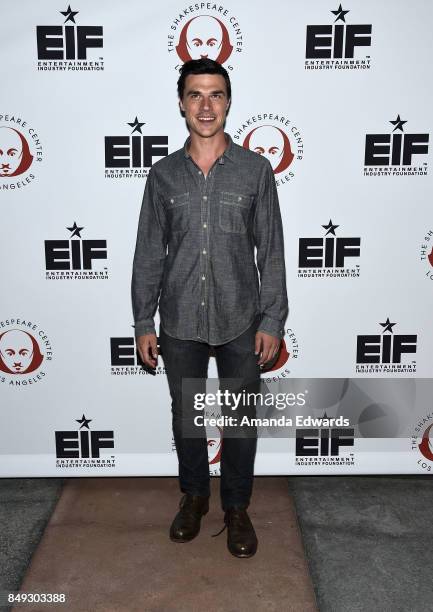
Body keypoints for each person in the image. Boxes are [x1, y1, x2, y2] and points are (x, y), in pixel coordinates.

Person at [131, 58, 288, 558]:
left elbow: (273, 250)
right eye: (195, 94)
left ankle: (236, 508)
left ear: (228, 102)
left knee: (240, 420)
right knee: (187, 418)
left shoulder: (255, 171)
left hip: (241, 317)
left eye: (215, 94)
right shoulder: (162, 176)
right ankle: (195, 497)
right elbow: (149, 251)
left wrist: (272, 318)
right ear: (181, 103)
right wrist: (142, 320)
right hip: (179, 320)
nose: (205, 105)